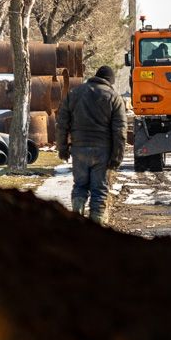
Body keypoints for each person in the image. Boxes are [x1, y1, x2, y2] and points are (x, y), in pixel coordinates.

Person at [56, 65, 127, 225]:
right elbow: (120, 131)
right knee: (99, 190)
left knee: (80, 186)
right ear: (110, 81)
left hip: (79, 149)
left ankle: (77, 221)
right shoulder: (114, 97)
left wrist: (62, 148)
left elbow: (62, 124)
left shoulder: (74, 93)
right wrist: (117, 156)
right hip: (103, 151)